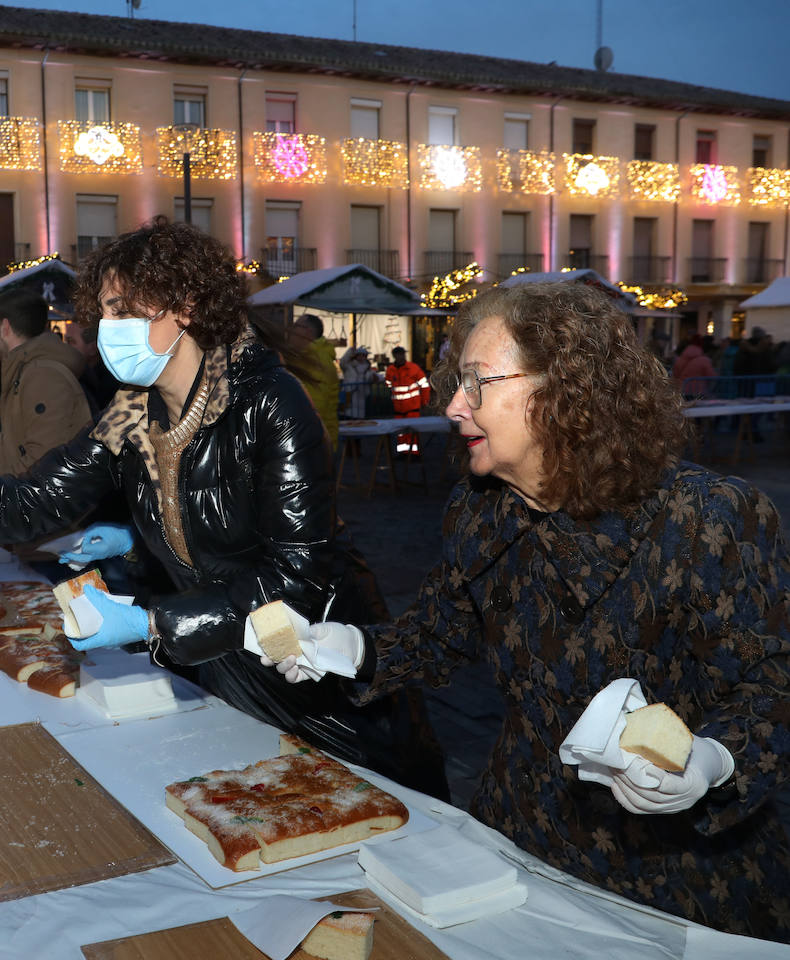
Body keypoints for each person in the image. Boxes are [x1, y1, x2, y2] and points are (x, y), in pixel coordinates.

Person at [0, 218, 449, 798]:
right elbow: (35, 500)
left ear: (186, 305)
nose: (107, 327)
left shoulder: (268, 402)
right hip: (224, 667)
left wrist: (152, 623)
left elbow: (295, 579)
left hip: (319, 684)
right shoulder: (131, 413)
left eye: (124, 309)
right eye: (104, 311)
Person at [271, 282, 790, 942]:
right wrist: (349, 649)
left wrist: (713, 761)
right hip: (519, 835)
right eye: (456, 383)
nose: (452, 406)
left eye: (477, 383)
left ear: (565, 390)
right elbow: (436, 636)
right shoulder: (480, 508)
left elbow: (771, 685)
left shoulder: (708, 517)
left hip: (675, 869)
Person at [0, 289, 92, 477]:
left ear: (5, 328)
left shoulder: (43, 376)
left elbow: (41, 464)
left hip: (45, 494)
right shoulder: (25, 373)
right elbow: (11, 461)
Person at [287, 314, 340, 450]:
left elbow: (315, 407)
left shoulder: (316, 361)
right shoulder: (304, 357)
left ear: (307, 332)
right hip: (310, 442)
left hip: (312, 444)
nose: (291, 330)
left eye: (296, 326)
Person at [64, 319, 120, 413]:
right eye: (65, 340)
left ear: (93, 348)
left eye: (71, 341)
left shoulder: (109, 385)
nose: (65, 347)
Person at [384, 345, 430, 455]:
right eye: (399, 355)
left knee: (412, 432)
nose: (401, 357)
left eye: (402, 354)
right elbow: (388, 385)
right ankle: (403, 453)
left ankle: (414, 453)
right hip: (398, 408)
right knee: (401, 433)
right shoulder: (390, 370)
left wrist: (424, 402)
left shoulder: (413, 368)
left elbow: (425, 386)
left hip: (412, 407)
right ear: (395, 356)